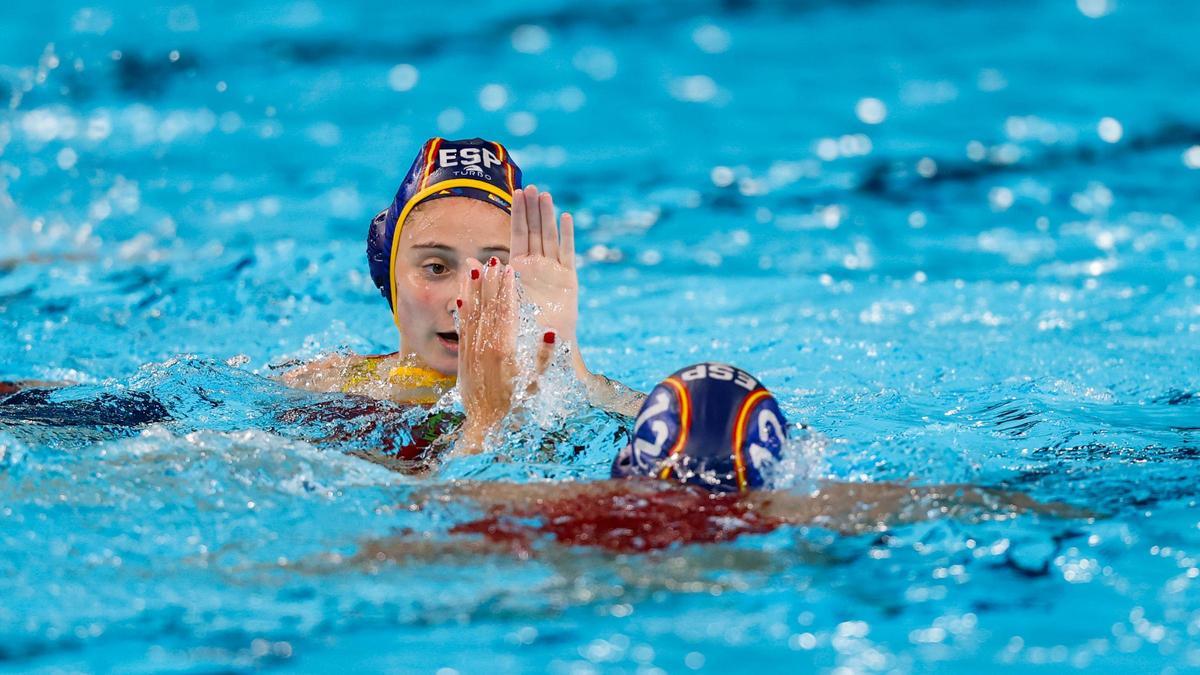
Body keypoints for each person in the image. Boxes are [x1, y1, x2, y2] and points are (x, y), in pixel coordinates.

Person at [345, 363, 1091, 557]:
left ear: (631, 462)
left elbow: (413, 519)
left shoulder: (567, 510)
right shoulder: (803, 509)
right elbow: (990, 505)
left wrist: (481, 427)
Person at [280, 137, 644, 454]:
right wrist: (486, 423)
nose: (461, 297)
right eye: (436, 267)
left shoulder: (581, 399)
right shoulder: (326, 387)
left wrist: (565, 360)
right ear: (389, 279)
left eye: (492, 268)